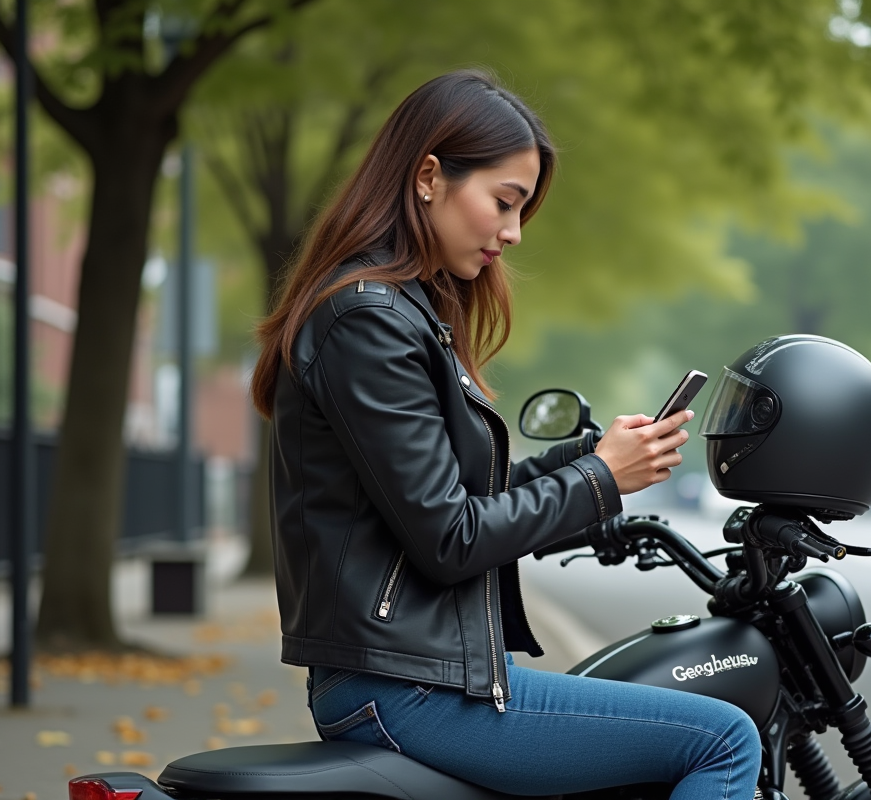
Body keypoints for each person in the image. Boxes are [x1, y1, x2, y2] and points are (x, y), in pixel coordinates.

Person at [250, 70, 762, 800]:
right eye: (504, 201)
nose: (514, 232)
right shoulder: (369, 321)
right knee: (723, 738)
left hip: (415, 671)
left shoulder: (401, 312)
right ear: (429, 177)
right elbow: (451, 536)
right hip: (403, 685)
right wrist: (600, 480)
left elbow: (453, 500)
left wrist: (589, 460)